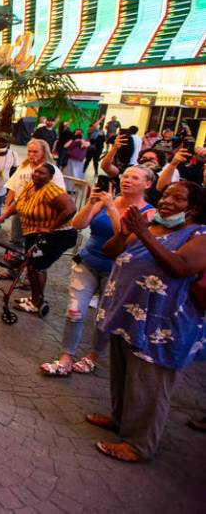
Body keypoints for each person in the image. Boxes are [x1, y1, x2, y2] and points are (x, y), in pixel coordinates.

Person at [88, 181, 206, 461]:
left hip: (161, 326)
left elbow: (182, 267)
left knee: (149, 384)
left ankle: (139, 445)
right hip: (128, 315)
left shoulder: (199, 235)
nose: (167, 201)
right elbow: (111, 251)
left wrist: (144, 234)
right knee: (124, 374)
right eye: (166, 195)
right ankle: (120, 419)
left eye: (177, 199)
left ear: (193, 208)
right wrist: (127, 232)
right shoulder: (152, 226)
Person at [39, 165, 155, 376]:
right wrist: (91, 203)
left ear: (147, 184)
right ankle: (66, 358)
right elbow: (77, 224)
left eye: (135, 178)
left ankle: (92, 356)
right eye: (126, 175)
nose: (127, 180)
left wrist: (111, 208)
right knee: (75, 311)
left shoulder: (148, 213)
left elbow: (124, 238)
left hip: (118, 272)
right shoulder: (106, 200)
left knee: (104, 317)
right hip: (88, 261)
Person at [0, 163, 77, 313]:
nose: (37, 175)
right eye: (36, 172)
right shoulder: (30, 185)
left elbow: (70, 209)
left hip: (56, 236)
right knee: (31, 266)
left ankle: (37, 302)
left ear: (51, 177)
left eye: (42, 173)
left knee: (37, 267)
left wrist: (51, 227)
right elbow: (19, 203)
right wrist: (3, 216)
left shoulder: (51, 190)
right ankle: (34, 297)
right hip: (34, 234)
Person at [3, 139, 66, 247]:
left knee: (32, 244)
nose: (31, 154)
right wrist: (6, 207)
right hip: (19, 209)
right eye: (29, 151)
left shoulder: (51, 171)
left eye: (35, 152)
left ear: (43, 152)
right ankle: (14, 259)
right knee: (15, 241)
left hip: (38, 214)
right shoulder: (23, 167)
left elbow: (60, 197)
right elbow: (13, 187)